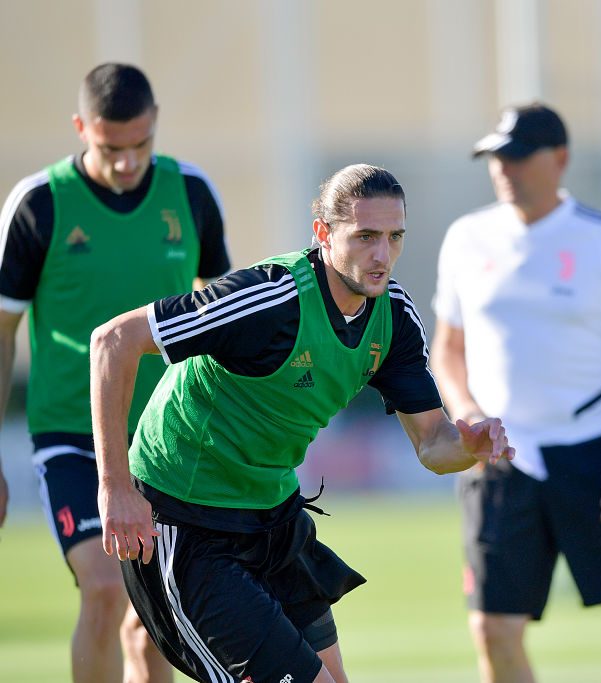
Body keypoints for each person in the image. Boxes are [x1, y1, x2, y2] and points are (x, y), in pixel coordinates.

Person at [91, 163, 514, 683]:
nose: (382, 255)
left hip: (272, 519)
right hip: (186, 520)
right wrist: (113, 487)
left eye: (394, 237)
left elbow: (432, 444)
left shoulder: (394, 318)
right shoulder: (269, 299)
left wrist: (470, 445)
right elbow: (112, 341)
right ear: (323, 234)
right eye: (365, 237)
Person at [0, 63, 229, 682]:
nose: (129, 163)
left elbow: (219, 313)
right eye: (110, 148)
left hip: (166, 438)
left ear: (154, 126)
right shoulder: (39, 205)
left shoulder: (192, 192)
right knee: (104, 588)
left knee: (156, 616)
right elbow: (2, 333)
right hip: (72, 435)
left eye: (140, 145)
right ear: (81, 128)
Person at [431, 103, 601, 682]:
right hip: (498, 458)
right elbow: (447, 349)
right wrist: (467, 417)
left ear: (559, 159)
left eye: (517, 156)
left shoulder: (600, 239)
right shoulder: (466, 237)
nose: (503, 169)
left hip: (592, 453)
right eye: (495, 158)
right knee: (493, 630)